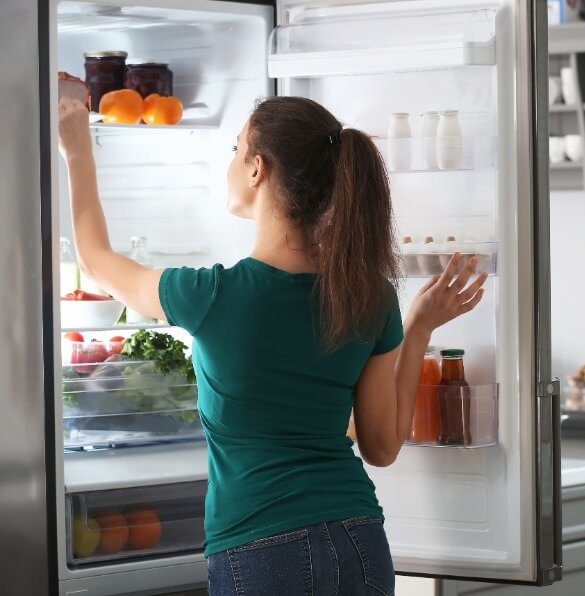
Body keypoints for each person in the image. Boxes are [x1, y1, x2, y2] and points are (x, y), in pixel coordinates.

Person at [57, 95, 487, 595]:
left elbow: (95, 260)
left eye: (236, 148)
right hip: (358, 539)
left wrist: (77, 149)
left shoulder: (211, 295)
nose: (232, 162)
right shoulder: (370, 295)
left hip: (261, 552)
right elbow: (382, 447)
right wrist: (417, 332)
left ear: (257, 170)